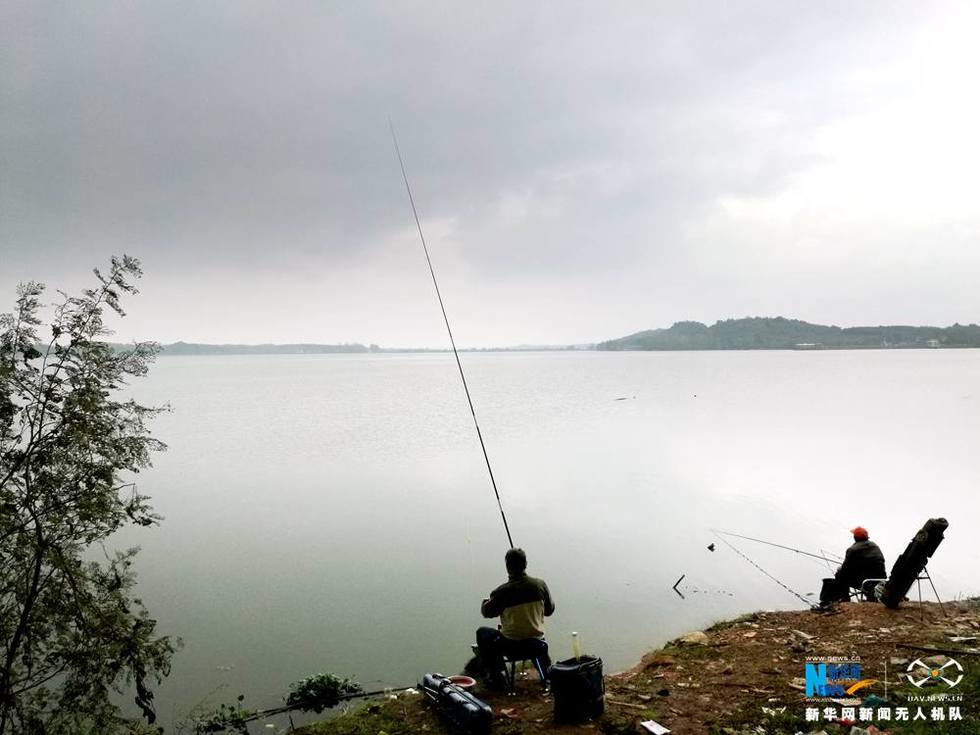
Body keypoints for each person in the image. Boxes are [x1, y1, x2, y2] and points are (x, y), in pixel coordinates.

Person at [475, 547, 555, 689]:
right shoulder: (540, 585)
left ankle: (497, 677)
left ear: (507, 567)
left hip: (510, 647)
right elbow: (549, 610)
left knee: (482, 633)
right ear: (525, 564)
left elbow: (487, 613)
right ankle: (546, 678)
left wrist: (485, 602)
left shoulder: (501, 592)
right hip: (537, 645)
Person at [818, 526, 887, 606]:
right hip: (880, 579)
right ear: (867, 536)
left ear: (855, 538)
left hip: (865, 582)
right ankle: (871, 597)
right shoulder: (875, 546)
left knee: (840, 574)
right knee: (846, 573)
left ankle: (845, 599)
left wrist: (840, 570)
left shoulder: (852, 550)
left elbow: (845, 570)